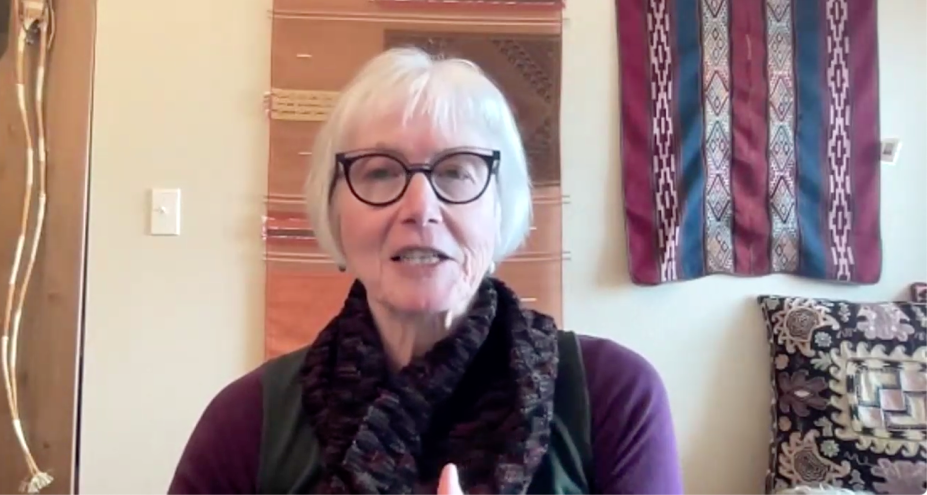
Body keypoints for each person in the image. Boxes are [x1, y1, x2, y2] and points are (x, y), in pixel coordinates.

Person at [168, 48, 683, 494]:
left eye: (456, 171)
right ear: (334, 212)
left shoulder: (612, 395)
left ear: (500, 208)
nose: (419, 207)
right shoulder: (247, 421)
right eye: (380, 171)